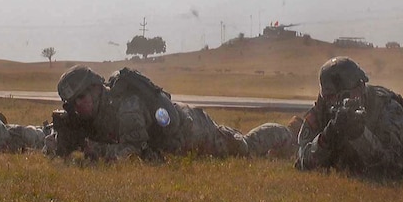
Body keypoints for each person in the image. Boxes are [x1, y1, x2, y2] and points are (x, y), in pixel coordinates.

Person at [48, 65, 295, 161]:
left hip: (192, 131)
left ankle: (287, 134)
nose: (77, 106)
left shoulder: (127, 107)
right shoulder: (92, 116)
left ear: (95, 89)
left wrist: (96, 151)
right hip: (175, 139)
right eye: (72, 103)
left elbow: (133, 153)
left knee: (243, 149)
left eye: (81, 98)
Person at [296, 57, 403, 178]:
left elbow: (393, 165)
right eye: (329, 97)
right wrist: (325, 138)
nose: (334, 103)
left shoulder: (387, 107)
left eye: (344, 96)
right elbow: (303, 161)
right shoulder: (320, 112)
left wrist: (360, 135)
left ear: (360, 88)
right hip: (355, 156)